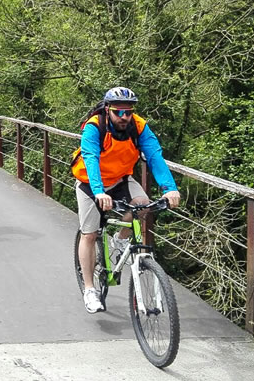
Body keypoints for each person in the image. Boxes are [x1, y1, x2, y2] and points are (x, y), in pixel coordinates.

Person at [71, 86, 181, 314]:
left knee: (143, 204)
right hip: (91, 183)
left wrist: (170, 189)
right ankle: (90, 289)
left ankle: (120, 240)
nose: (124, 117)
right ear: (108, 109)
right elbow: (90, 158)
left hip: (121, 179)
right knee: (90, 233)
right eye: (118, 112)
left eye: (128, 112)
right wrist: (100, 192)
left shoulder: (138, 126)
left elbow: (154, 155)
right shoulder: (95, 126)